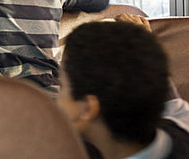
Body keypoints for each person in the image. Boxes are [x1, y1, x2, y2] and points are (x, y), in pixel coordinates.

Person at [59, 16, 189, 159]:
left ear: (88, 108)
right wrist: (143, 46)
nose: (57, 99)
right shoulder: (182, 124)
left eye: (62, 87)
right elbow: (171, 101)